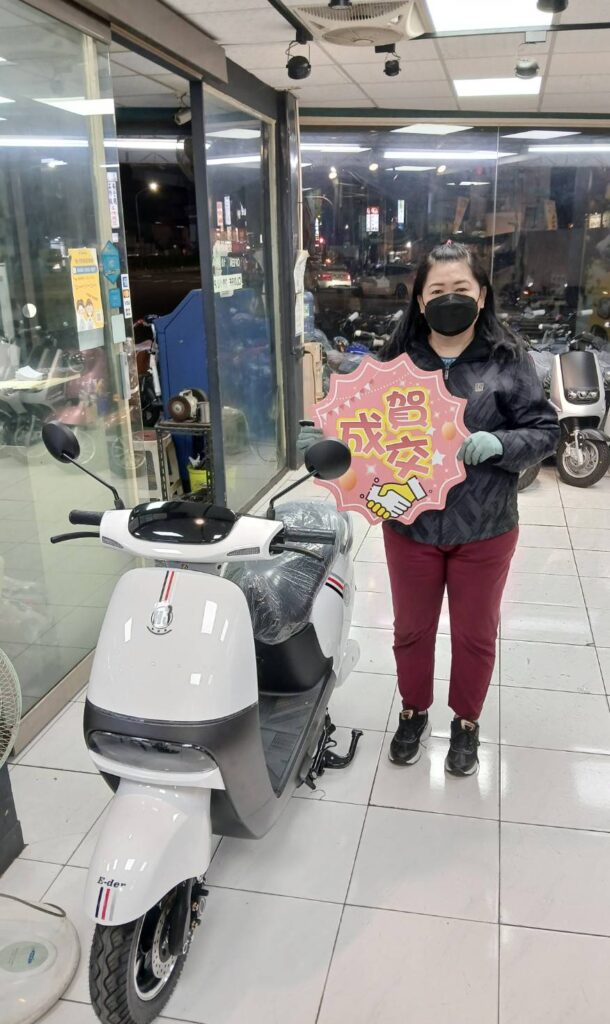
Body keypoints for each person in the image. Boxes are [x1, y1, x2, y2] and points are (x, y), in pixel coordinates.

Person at [298, 241, 559, 777]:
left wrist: (501, 444)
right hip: (410, 527)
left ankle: (466, 722)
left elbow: (545, 430)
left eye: (461, 288)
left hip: (485, 527)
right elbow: (362, 435)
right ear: (419, 300)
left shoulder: (508, 357)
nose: (449, 299)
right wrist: (339, 455)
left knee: (474, 635)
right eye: (437, 290)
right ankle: (413, 711)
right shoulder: (396, 361)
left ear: (482, 295)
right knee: (411, 630)